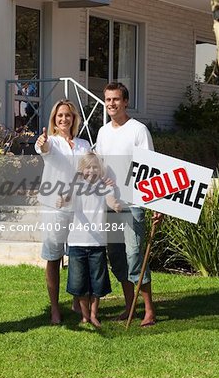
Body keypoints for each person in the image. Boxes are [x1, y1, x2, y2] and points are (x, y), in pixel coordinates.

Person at [96, 82, 162, 327]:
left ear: (125, 102)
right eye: (108, 100)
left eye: (115, 99)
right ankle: (128, 306)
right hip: (110, 204)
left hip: (133, 203)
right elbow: (99, 165)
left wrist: (156, 204)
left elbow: (152, 168)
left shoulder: (138, 130)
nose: (111, 104)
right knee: (116, 257)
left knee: (135, 254)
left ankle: (149, 310)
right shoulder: (103, 132)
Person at [35, 100, 90, 325]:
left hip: (79, 208)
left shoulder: (84, 144)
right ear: (54, 119)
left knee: (77, 256)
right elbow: (43, 149)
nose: (64, 119)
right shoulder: (52, 142)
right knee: (53, 257)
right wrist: (43, 142)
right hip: (54, 208)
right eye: (60, 116)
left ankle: (77, 300)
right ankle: (55, 308)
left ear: (74, 118)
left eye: (68, 115)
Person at [57, 152, 121, 327]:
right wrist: (62, 200)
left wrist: (115, 204)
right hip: (77, 242)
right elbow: (68, 197)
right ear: (81, 170)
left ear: (100, 170)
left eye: (95, 167)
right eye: (88, 167)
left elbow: (110, 199)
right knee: (79, 282)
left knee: (97, 282)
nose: (91, 170)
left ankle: (94, 314)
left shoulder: (104, 186)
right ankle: (85, 315)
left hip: (97, 243)